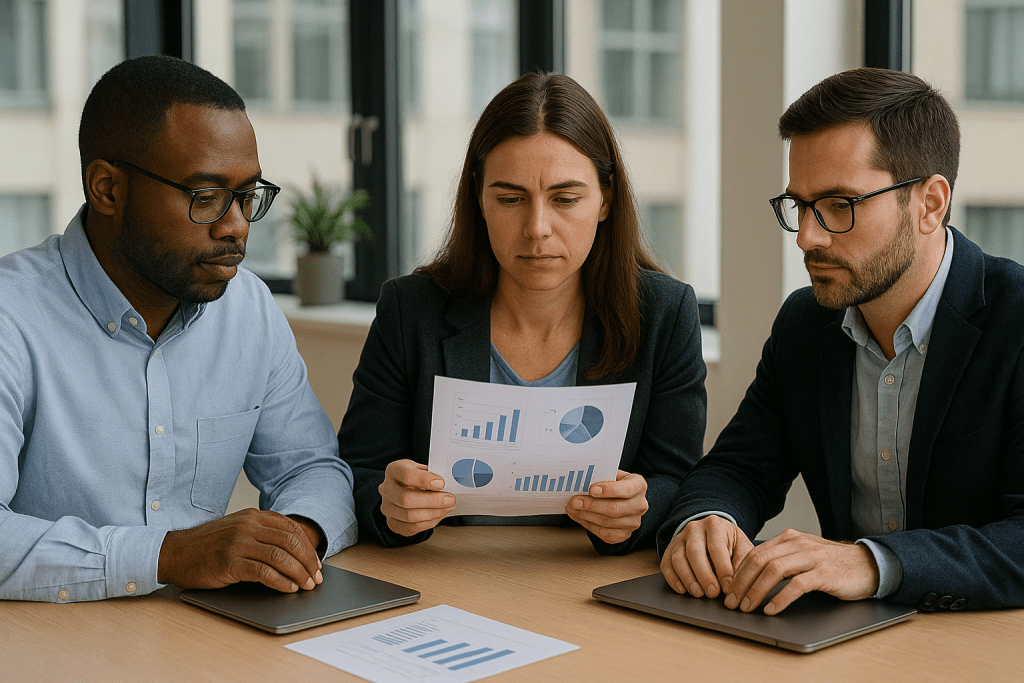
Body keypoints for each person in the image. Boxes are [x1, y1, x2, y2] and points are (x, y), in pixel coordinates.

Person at [659, 67, 1024, 614]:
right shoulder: (806, 325)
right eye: (800, 206)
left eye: (840, 205)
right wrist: (708, 519)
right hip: (845, 645)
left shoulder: (1016, 318)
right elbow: (738, 468)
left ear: (930, 203)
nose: (808, 236)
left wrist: (872, 562)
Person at [0, 55, 357, 603]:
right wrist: (170, 555)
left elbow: (312, 467)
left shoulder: (249, 309)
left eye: (246, 196)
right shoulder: (12, 316)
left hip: (205, 635)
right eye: (205, 197)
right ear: (107, 189)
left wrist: (292, 539)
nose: (236, 225)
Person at [338, 72, 707, 554]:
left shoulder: (665, 314)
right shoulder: (410, 311)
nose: (537, 228)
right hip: (439, 576)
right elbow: (357, 472)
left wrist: (640, 506)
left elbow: (679, 480)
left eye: (565, 199)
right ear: (479, 197)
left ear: (606, 198)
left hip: (587, 583)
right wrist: (389, 503)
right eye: (510, 199)